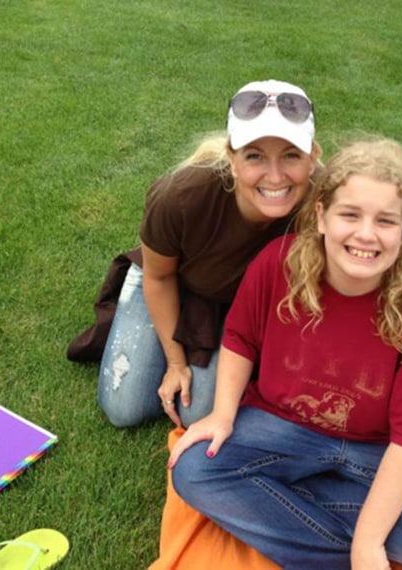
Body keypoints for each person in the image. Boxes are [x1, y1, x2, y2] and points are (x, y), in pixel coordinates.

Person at [169, 138, 402, 570]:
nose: (366, 235)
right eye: (350, 214)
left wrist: (368, 539)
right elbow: (239, 338)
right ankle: (339, 547)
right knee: (194, 471)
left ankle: (292, 506)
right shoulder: (278, 264)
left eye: (386, 221)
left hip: (378, 447)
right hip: (281, 425)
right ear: (321, 216)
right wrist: (222, 415)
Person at [97, 80, 321, 428]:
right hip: (170, 280)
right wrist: (175, 362)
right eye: (255, 156)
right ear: (232, 160)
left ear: (313, 158)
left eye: (291, 155)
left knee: (197, 412)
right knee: (125, 409)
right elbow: (158, 276)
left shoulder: (327, 203)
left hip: (236, 304)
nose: (275, 176)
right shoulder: (182, 196)